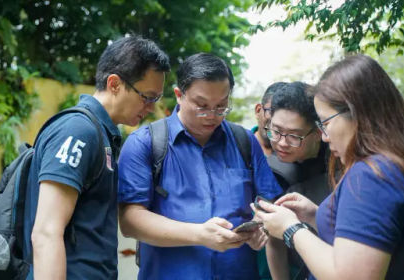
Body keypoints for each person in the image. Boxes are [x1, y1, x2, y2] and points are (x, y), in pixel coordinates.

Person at [253, 54, 404, 280]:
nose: (324, 137)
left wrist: (291, 228)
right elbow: (373, 240)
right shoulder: (401, 163)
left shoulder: (371, 177)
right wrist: (317, 215)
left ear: (356, 114)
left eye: (326, 122)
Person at [118, 53, 283, 280]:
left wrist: (260, 227)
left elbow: (268, 201)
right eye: (201, 105)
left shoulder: (244, 141)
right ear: (179, 95)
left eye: (221, 106)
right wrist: (198, 234)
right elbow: (130, 221)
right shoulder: (145, 143)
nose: (212, 116)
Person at [22, 36, 170, 279]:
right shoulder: (79, 131)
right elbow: (46, 233)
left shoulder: (103, 134)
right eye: (147, 97)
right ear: (114, 84)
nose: (152, 107)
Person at [255, 82, 331, 280]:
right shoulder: (271, 168)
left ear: (318, 133)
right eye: (276, 131)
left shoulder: (339, 160)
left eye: (294, 137)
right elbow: (274, 240)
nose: (281, 143)